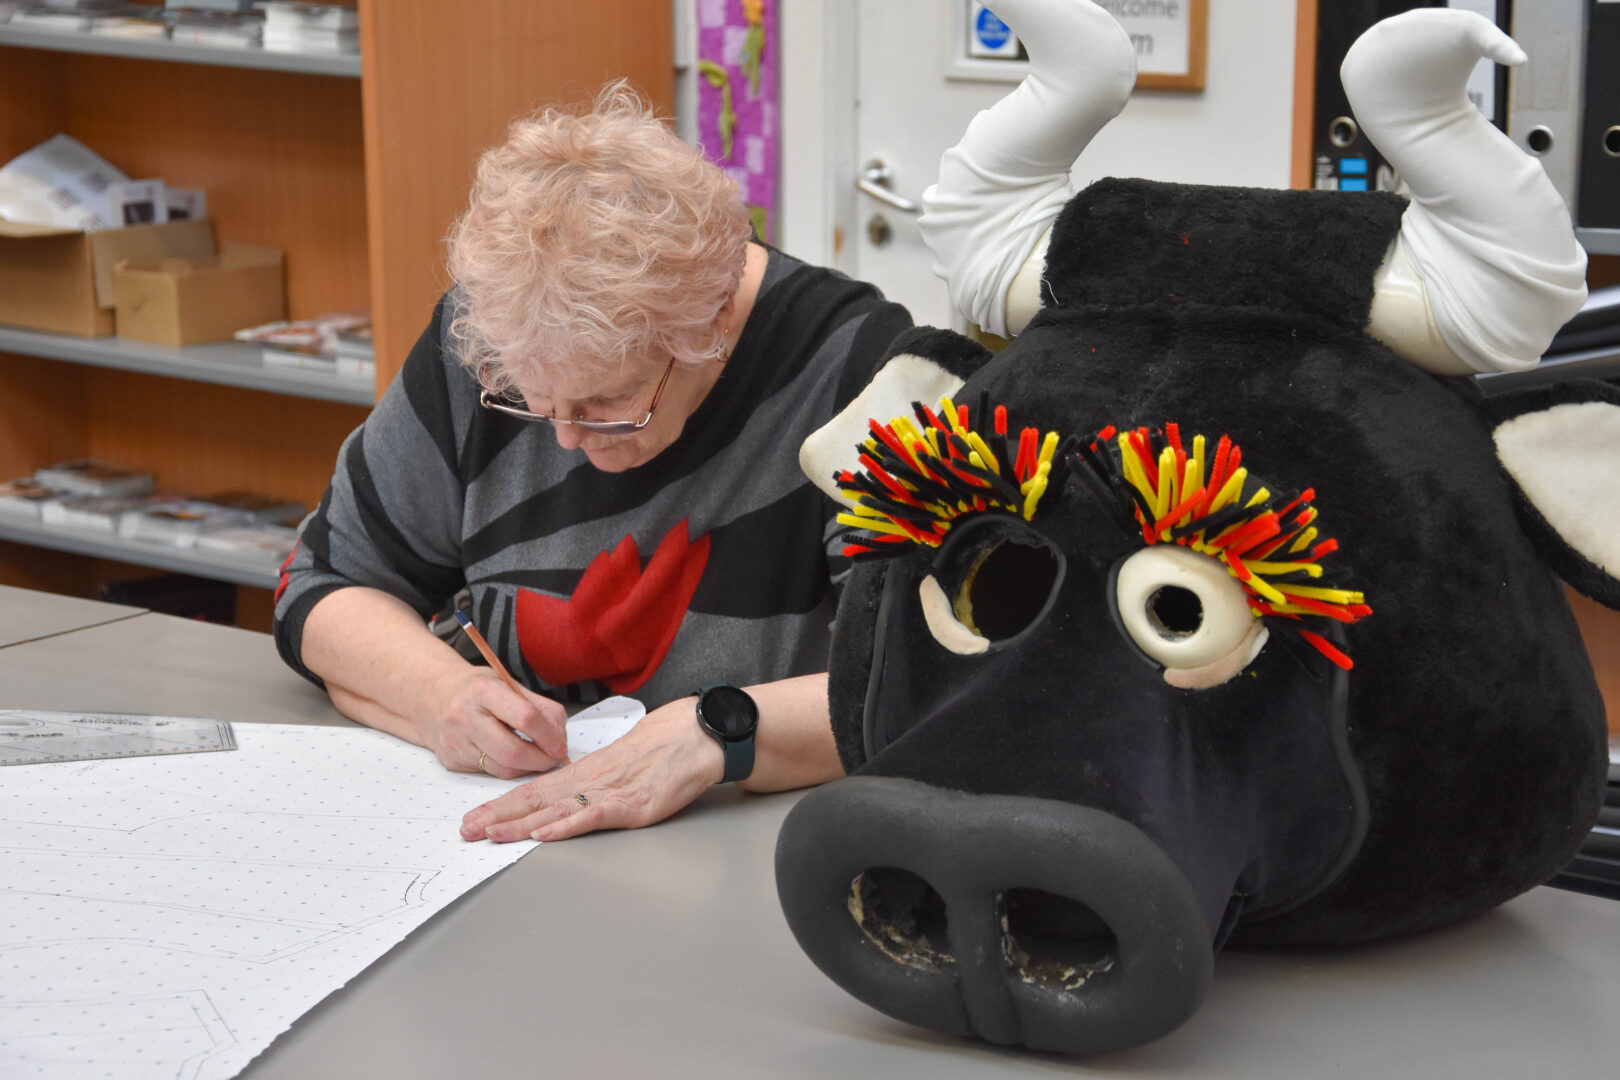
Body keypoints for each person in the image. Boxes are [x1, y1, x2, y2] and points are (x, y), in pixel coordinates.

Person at [272, 82, 913, 843]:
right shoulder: (494, 338)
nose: (566, 440)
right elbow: (323, 582)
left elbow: (928, 678)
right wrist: (437, 689)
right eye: (532, 402)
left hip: (748, 847)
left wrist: (720, 732)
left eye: (607, 403)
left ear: (710, 319)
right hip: (506, 840)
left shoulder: (866, 377)